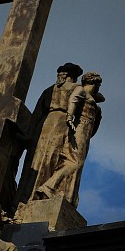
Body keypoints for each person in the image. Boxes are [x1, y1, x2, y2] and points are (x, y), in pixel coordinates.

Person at [16, 62, 83, 205]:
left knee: (40, 160)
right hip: (60, 124)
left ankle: (29, 195)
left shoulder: (49, 90)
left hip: (46, 124)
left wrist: (29, 135)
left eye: (62, 74)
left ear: (65, 76)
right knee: (50, 160)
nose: (59, 77)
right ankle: (37, 194)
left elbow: (36, 115)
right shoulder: (77, 89)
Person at [35, 71, 103, 208]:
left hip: (85, 134)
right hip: (78, 129)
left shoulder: (93, 100)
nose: (99, 87)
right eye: (98, 84)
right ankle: (49, 187)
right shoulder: (81, 90)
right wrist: (69, 117)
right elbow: (73, 100)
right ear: (95, 83)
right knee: (73, 162)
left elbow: (96, 123)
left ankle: (67, 196)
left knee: (78, 164)